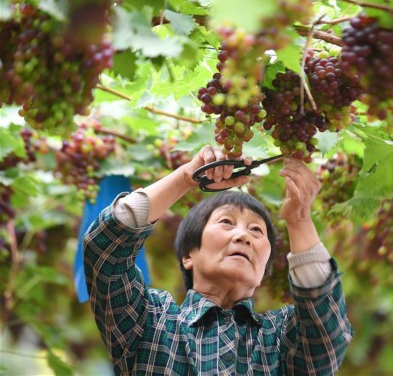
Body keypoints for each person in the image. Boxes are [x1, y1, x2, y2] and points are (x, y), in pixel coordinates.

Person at [84, 145, 353, 375]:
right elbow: (104, 248)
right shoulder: (149, 322)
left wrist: (300, 221)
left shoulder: (281, 338)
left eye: (256, 230)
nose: (243, 236)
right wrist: (185, 178)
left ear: (263, 272)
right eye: (227, 222)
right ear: (188, 255)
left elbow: (327, 332)